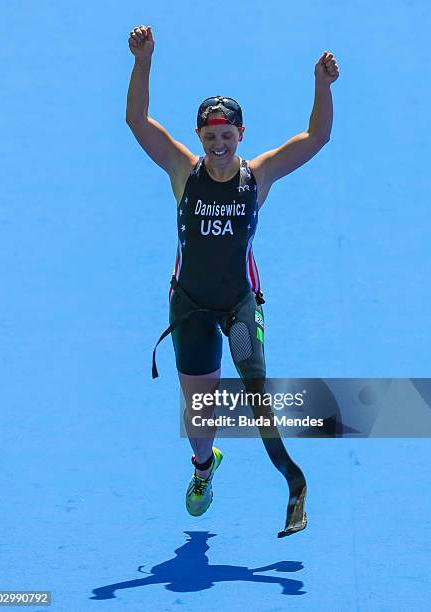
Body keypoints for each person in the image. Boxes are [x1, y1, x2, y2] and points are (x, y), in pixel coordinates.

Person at [126, 24, 339, 537]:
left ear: (240, 135)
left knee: (254, 383)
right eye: (210, 136)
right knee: (200, 419)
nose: (219, 144)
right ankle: (204, 467)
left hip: (239, 304)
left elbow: (316, 138)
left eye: (227, 136)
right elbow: (136, 120)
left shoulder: (257, 176)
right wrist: (144, 60)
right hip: (192, 306)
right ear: (200, 137)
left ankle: (292, 481)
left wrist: (322, 86)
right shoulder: (183, 171)